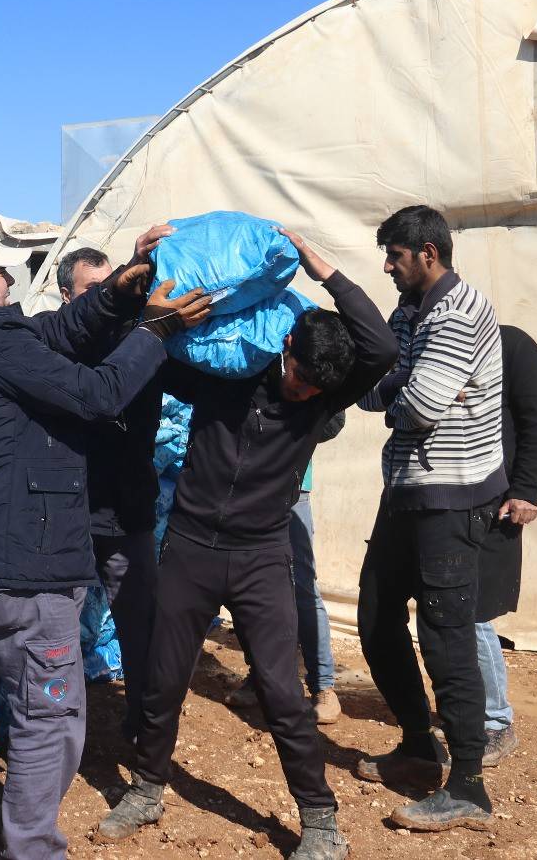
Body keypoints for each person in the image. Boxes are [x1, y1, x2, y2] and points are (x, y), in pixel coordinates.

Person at [0, 224, 211, 860]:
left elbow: (55, 334)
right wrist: (154, 332)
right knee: (48, 716)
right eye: (2, 273)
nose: (13, 281)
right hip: (19, 570)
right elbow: (99, 394)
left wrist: (122, 287)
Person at [98, 229, 396, 860]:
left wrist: (323, 267)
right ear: (284, 345)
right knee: (163, 678)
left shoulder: (319, 398)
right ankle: (148, 787)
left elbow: (382, 344)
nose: (304, 390)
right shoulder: (226, 370)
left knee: (283, 693)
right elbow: (149, 333)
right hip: (190, 547)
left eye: (318, 387)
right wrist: (139, 261)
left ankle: (318, 819)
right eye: (299, 374)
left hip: (262, 556)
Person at [355, 205, 505, 831]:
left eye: (394, 255)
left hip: (451, 498)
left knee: (446, 636)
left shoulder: (459, 311)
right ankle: (420, 745)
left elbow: (415, 407)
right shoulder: (411, 312)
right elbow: (372, 386)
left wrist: (400, 387)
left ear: (427, 253)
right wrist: (399, 386)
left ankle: (468, 785)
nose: (387, 266)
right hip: (407, 490)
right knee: (376, 615)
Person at [57, 245, 161, 743]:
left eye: (112, 286)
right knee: (53, 638)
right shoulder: (49, 346)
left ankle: (144, 727)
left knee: (140, 631)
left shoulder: (138, 340)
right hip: (63, 519)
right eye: (94, 291)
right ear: (67, 295)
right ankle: (51, 737)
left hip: (126, 511)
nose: (107, 298)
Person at [225, 445, 345, 726]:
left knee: (301, 584)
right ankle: (259, 676)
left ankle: (323, 686)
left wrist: (299, 423)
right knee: (249, 583)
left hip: (292, 484)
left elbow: (334, 419)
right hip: (247, 485)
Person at [473, 324, 537, 766]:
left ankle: (495, 722)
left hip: (499, 502)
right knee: (455, 609)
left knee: (473, 610)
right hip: (456, 498)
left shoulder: (512, 345)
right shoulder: (437, 347)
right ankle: (474, 713)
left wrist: (527, 491)